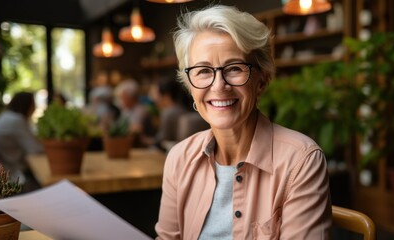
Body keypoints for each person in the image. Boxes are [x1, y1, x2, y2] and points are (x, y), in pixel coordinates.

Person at [155, 5, 331, 239]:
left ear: (262, 80)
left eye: (235, 68)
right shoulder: (179, 158)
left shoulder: (300, 162)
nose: (219, 86)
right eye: (203, 71)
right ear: (189, 85)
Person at [0, 91, 44, 193]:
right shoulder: (16, 120)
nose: (35, 108)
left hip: (8, 167)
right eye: (33, 104)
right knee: (47, 180)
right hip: (15, 176)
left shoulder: (7, 116)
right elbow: (36, 149)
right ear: (26, 104)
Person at [144, 76, 188, 151]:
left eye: (154, 93)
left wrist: (145, 140)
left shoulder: (168, 113)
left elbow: (161, 139)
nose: (152, 97)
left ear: (166, 95)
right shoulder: (182, 109)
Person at [114, 78, 155, 147]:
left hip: (142, 147)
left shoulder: (141, 110)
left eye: (122, 97)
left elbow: (136, 129)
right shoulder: (126, 110)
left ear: (130, 97)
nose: (120, 101)